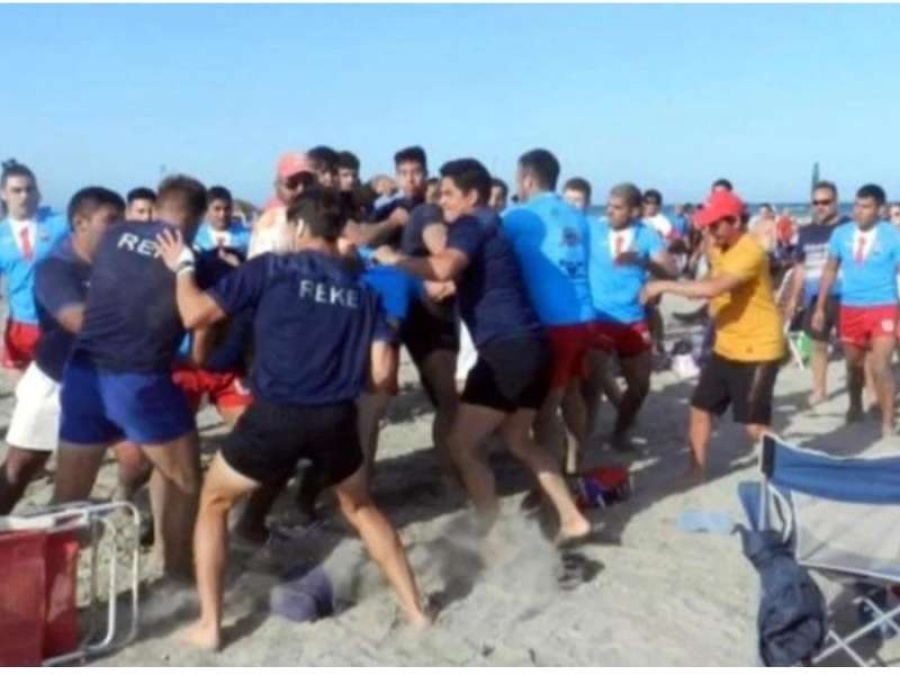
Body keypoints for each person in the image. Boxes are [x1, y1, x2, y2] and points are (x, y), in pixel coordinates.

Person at [156, 188, 431, 650]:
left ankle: (210, 625)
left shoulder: (272, 269)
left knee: (215, 502)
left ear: (299, 227)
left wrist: (183, 267)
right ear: (341, 230)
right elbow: (383, 376)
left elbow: (193, 314)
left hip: (277, 416)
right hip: (337, 418)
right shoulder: (366, 292)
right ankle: (416, 611)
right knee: (361, 507)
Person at [373, 158, 590, 543]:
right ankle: (572, 518)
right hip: (531, 344)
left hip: (506, 349)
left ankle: (489, 525)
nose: (443, 202)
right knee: (519, 440)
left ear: (472, 195)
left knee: (462, 443)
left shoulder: (473, 224)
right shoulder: (495, 224)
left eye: (449, 194)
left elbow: (444, 269)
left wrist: (395, 260)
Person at [53, 175, 209, 580]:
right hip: (137, 376)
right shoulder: (192, 257)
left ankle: (53, 595)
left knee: (68, 498)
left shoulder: (117, 233)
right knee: (185, 477)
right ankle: (176, 577)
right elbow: (200, 322)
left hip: (83, 370)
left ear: (156, 208)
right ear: (198, 218)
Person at [642, 190, 784, 478]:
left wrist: (662, 287)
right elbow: (700, 288)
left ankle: (788, 466)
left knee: (754, 427)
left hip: (759, 349)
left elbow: (711, 289)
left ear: (735, 221)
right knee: (699, 409)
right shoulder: (718, 248)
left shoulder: (750, 251)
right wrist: (656, 271)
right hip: (727, 345)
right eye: (706, 225)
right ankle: (696, 472)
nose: (709, 231)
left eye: (715, 225)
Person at [0, 187, 124, 514]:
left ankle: (116, 502)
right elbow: (77, 321)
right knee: (19, 468)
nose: (119, 229)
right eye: (111, 220)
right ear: (81, 222)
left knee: (140, 459)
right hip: (54, 378)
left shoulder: (121, 266)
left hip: (107, 380)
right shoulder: (55, 267)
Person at [503, 149, 596, 474]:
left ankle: (550, 488)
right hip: (583, 316)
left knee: (544, 409)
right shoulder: (578, 217)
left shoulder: (518, 217)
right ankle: (575, 462)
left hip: (551, 322)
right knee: (571, 393)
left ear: (527, 179)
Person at [587, 183, 677, 452]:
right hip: (598, 318)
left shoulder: (646, 235)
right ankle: (579, 446)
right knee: (590, 385)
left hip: (633, 318)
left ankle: (620, 432)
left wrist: (645, 263)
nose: (609, 211)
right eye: (608, 205)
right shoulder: (593, 229)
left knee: (640, 385)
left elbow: (672, 272)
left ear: (635, 211)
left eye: (617, 207)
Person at [813, 184, 900, 437]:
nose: (858, 212)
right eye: (856, 206)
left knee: (881, 365)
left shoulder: (893, 236)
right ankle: (854, 405)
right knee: (853, 365)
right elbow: (830, 269)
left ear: (879, 209)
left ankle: (887, 420)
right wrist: (820, 306)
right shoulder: (841, 234)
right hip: (850, 306)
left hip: (883, 306)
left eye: (865, 207)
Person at [782, 181, 850, 407]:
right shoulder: (807, 232)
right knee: (818, 345)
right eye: (816, 202)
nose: (820, 206)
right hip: (814, 297)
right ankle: (820, 390)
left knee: (853, 348)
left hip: (845, 295)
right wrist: (793, 298)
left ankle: (860, 391)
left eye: (826, 202)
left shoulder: (848, 227)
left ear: (836, 202)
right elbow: (800, 267)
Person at [0, 161, 70, 371]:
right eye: (17, 190)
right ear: (3, 194)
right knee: (27, 389)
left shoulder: (61, 224)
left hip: (59, 319)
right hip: (21, 323)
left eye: (29, 189)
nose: (24, 196)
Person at [249, 152, 317, 258]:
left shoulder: (311, 215)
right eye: (292, 184)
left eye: (307, 183)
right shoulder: (271, 225)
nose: (301, 190)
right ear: (277, 185)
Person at [193, 186, 251, 257]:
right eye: (217, 209)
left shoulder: (246, 236)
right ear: (207, 210)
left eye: (227, 208)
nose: (222, 214)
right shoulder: (196, 238)